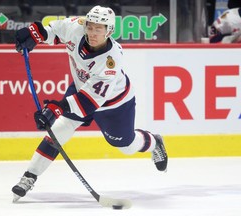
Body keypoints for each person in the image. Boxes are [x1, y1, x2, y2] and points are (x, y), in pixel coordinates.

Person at [11, 5, 168, 202]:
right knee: (59, 131)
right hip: (81, 89)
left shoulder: (111, 60)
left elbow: (89, 101)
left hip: (113, 104)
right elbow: (53, 31)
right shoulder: (77, 28)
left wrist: (57, 108)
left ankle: (154, 142)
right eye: (90, 27)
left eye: (98, 29)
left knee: (126, 146)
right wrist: (34, 33)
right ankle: (29, 176)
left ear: (109, 31)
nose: (92, 33)